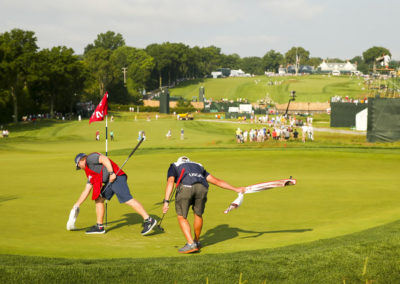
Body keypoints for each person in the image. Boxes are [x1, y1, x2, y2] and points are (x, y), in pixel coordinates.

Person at [162, 156, 245, 253]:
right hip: (202, 188)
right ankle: (196, 242)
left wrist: (166, 201)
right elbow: (216, 181)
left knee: (181, 216)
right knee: (198, 214)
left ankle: (190, 244)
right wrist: (235, 189)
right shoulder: (198, 166)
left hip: (186, 187)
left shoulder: (174, 165)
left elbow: (170, 181)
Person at [73, 153, 157, 235]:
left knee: (127, 199)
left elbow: (104, 159)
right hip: (110, 181)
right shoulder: (89, 172)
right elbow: (86, 190)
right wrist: (77, 204)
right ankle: (99, 227)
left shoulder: (90, 158)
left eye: (78, 165)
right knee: (99, 199)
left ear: (81, 160)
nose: (80, 168)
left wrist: (111, 173)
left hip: (116, 177)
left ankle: (149, 220)